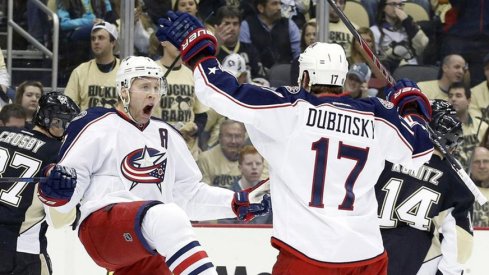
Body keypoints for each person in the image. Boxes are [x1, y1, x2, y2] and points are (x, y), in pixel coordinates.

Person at [158, 12, 434, 274]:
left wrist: (201, 53)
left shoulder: (292, 109)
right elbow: (420, 151)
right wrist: (412, 109)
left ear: (304, 77)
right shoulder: (376, 115)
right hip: (365, 257)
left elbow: (219, 91)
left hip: (306, 255)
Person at [37, 56, 271, 275]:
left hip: (148, 240)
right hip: (103, 229)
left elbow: (188, 195)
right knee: (167, 215)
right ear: (124, 90)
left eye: (157, 87)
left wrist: (236, 202)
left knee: (166, 220)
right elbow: (65, 193)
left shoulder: (167, 134)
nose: (153, 94)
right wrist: (55, 193)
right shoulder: (94, 124)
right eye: (144, 87)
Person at [375, 99, 474, 275]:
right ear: (451, 143)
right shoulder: (455, 183)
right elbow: (459, 243)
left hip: (369, 258)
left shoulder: (381, 159)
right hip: (419, 264)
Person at [0, 92, 80, 275]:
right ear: (50, 120)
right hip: (22, 252)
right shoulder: (60, 155)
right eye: (62, 122)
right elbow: (61, 220)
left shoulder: (3, 132)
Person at [153, 30, 209, 160]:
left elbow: (201, 115)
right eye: (175, 39)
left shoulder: (193, 75)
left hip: (188, 153)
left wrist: (195, 129)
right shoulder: (151, 70)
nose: (180, 44)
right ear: (163, 42)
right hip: (157, 149)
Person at [64, 21, 120, 110]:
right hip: (87, 123)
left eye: (101, 38)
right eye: (93, 38)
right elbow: (67, 107)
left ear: (113, 42)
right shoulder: (80, 71)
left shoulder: (125, 71)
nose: (96, 42)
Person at [239, 0, 301, 74]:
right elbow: (246, 55)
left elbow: (298, 55)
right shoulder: (246, 26)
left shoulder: (289, 25)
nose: (279, 7)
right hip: (256, 76)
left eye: (280, 4)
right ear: (261, 8)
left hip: (285, 76)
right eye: (274, 4)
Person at [370, 0, 429, 72]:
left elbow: (424, 42)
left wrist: (406, 21)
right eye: (393, 4)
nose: (398, 8)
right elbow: (376, 60)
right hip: (393, 72)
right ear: (383, 8)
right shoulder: (375, 31)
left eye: (400, 5)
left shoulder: (409, 26)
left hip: (415, 70)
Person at [219, 145, 272, 224]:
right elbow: (225, 226)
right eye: (249, 164)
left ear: (263, 166)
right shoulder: (229, 194)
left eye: (258, 163)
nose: (254, 167)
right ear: (240, 168)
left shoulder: (269, 194)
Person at [214, 5, 265, 80]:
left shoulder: (250, 49)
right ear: (218, 27)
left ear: (240, 26)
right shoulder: (210, 52)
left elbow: (260, 78)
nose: (231, 28)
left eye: (235, 24)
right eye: (227, 23)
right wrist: (216, 46)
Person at [447, 82, 487, 169]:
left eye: (458, 96)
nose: (453, 99)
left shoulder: (482, 127)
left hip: (477, 173)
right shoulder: (441, 129)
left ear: (468, 100)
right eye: (450, 96)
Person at [198, 119, 246, 188]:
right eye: (229, 136)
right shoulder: (206, 158)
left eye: (238, 136)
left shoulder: (255, 158)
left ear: (244, 138)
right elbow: (204, 191)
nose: (233, 141)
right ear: (220, 137)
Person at [470, 146, 489, 227]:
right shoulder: (461, 190)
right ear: (470, 165)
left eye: (486, 161)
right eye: (477, 162)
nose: (482, 166)